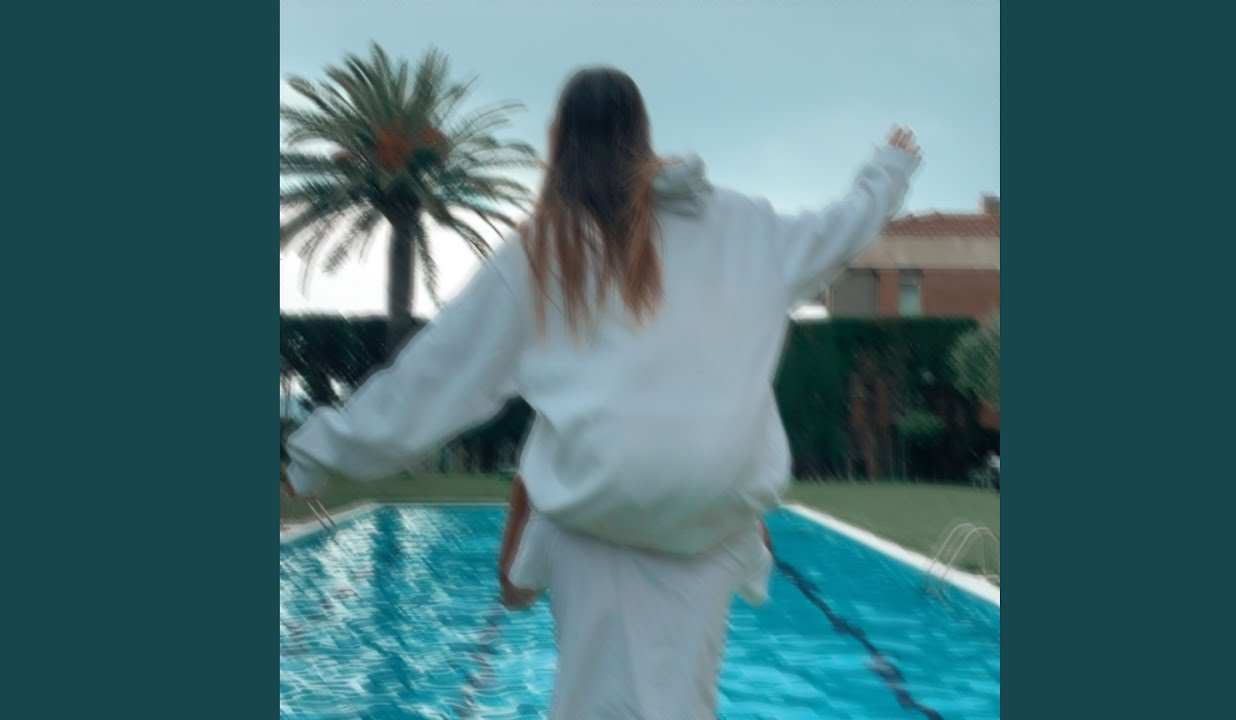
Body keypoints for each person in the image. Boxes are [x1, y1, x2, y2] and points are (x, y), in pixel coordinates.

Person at [283, 67, 920, 719]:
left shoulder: (544, 251)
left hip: (593, 518)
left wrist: (314, 455)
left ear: (561, 142)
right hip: (707, 519)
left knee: (591, 696)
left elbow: (435, 377)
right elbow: (840, 229)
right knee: (684, 699)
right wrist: (889, 170)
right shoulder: (741, 226)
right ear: (641, 134)